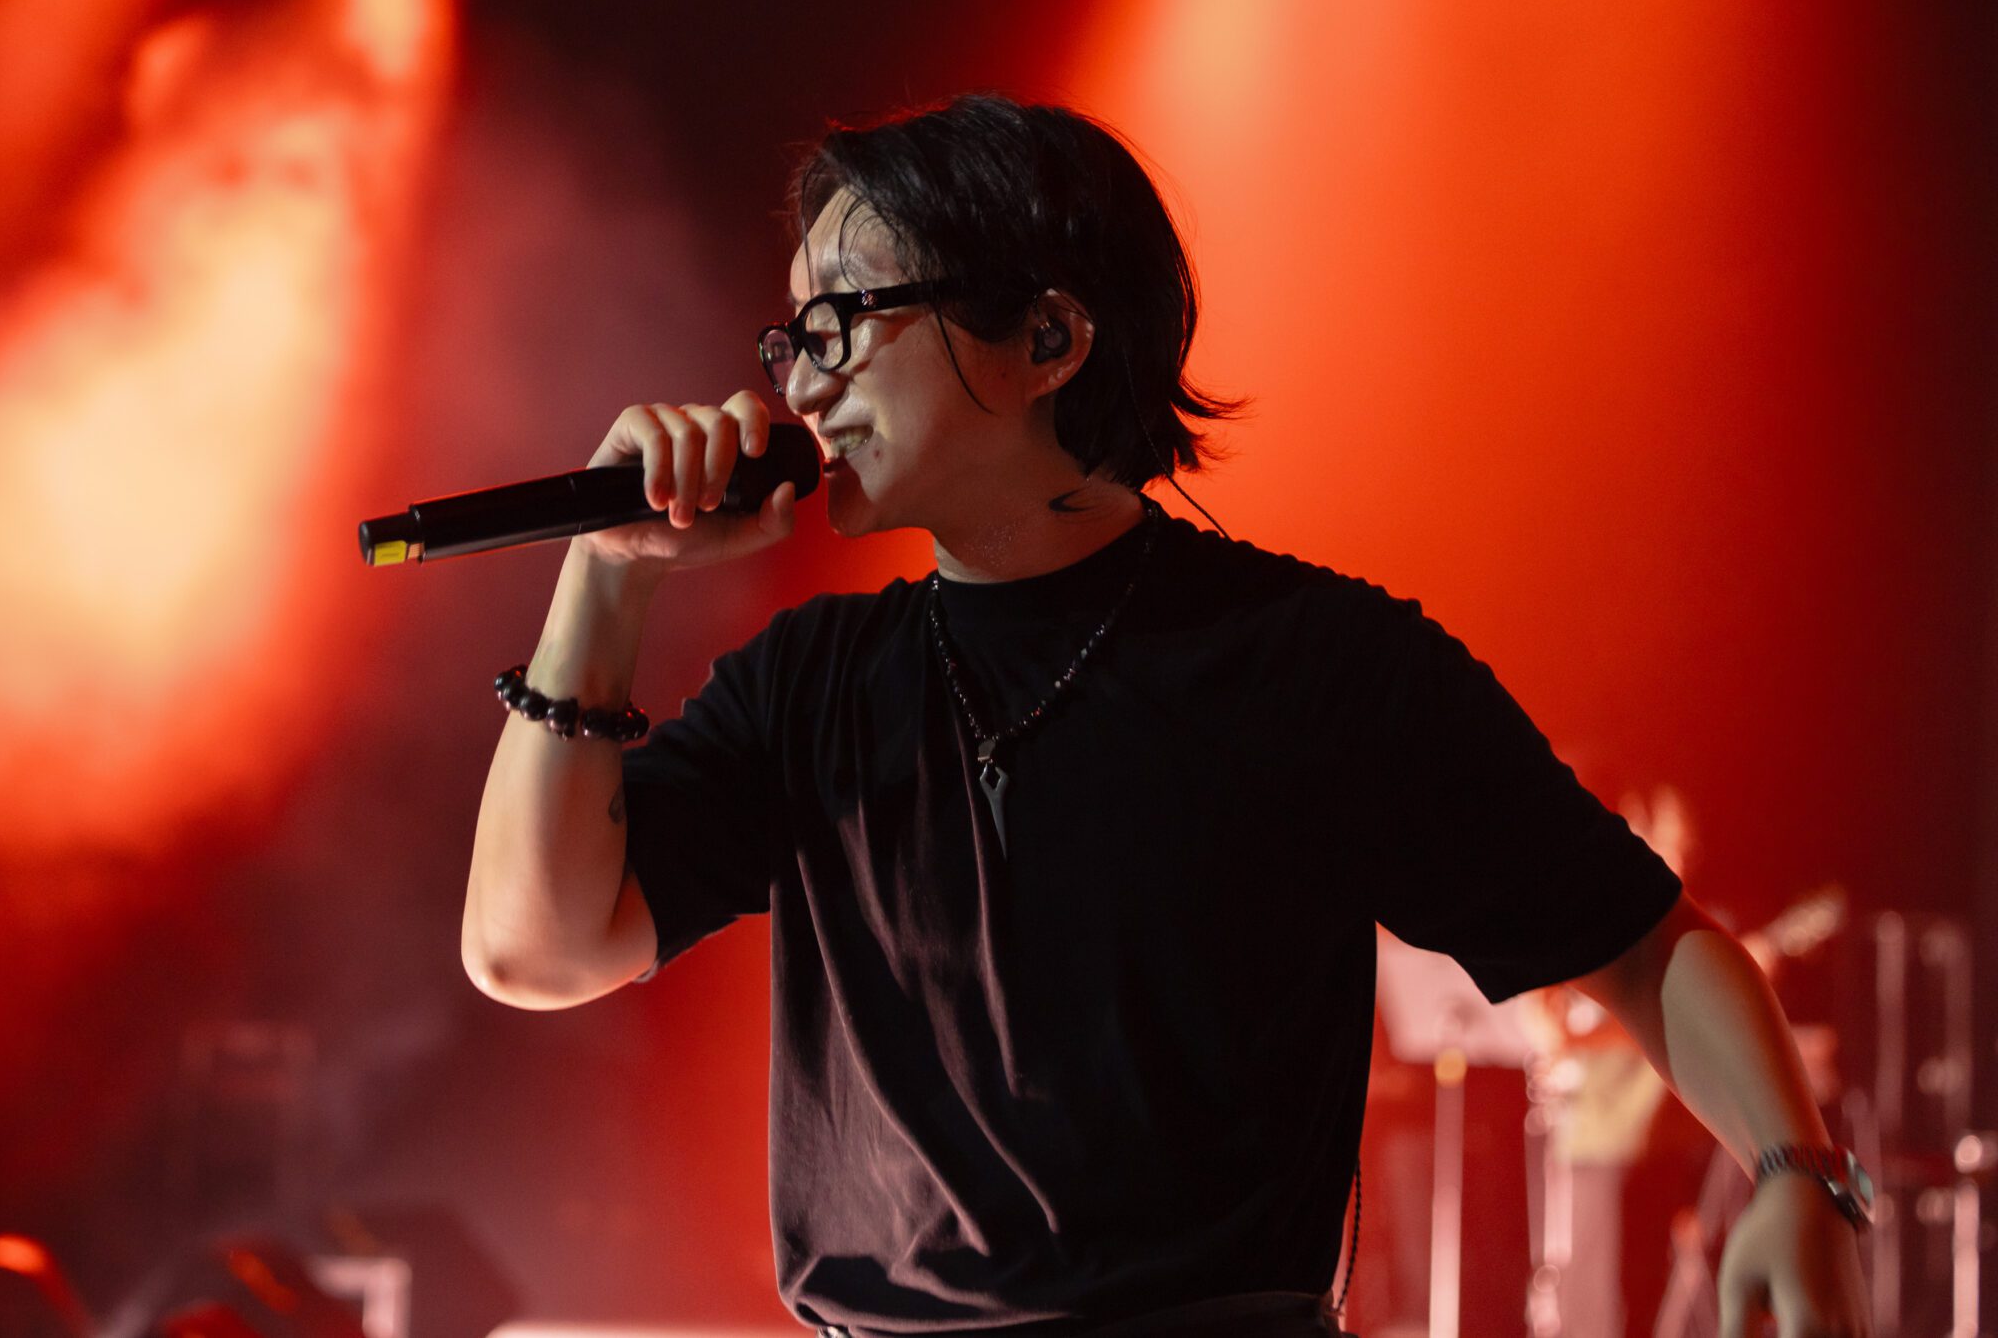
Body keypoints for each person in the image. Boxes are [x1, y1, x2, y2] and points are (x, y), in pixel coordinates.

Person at [458, 95, 1870, 1338]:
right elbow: (535, 947)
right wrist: (608, 573)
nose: (803, 382)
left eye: (845, 322)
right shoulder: (811, 683)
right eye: (791, 339)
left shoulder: (1314, 664)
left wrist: (1798, 1179)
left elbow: (1640, 942)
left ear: (1049, 339)